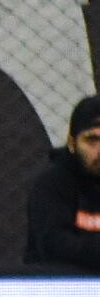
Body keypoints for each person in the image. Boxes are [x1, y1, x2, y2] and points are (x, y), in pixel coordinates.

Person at [24, 94, 100, 268]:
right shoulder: (52, 185)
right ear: (72, 143)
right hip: (61, 289)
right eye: (92, 140)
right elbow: (56, 247)